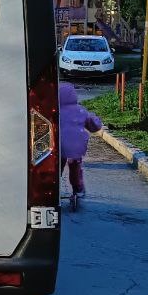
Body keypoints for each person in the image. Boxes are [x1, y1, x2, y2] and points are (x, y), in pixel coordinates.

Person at [59, 82, 103, 210]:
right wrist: (96, 120)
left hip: (59, 145)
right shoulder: (80, 110)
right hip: (76, 146)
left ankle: (52, 186)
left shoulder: (56, 111)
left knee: (57, 166)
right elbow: (94, 126)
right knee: (75, 167)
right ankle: (78, 188)